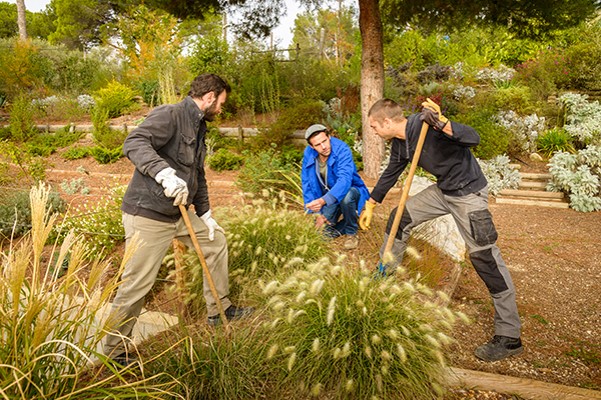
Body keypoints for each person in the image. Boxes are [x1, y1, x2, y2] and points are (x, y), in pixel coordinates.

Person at [103, 73, 253, 366]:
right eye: (221, 103)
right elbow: (134, 142)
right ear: (209, 97)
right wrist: (162, 172)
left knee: (215, 241)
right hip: (148, 214)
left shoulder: (200, 128)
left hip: (179, 212)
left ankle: (218, 310)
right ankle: (113, 352)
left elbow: (197, 174)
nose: (221, 109)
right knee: (137, 284)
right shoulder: (170, 115)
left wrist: (206, 213)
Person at [359, 98, 523, 362]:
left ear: (387, 122)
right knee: (399, 218)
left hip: (468, 192)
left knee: (485, 259)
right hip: (444, 190)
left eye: (374, 127)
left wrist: (444, 123)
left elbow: (473, 138)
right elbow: (391, 173)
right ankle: (384, 276)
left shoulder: (427, 124)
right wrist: (371, 203)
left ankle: (509, 336)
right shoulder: (401, 144)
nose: (373, 132)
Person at [301, 124, 370, 250]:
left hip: (349, 191)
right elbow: (307, 182)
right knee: (321, 235)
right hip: (329, 198)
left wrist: (323, 201)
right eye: (317, 145)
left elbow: (344, 181)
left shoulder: (342, 149)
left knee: (347, 197)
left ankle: (351, 232)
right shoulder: (308, 154)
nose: (323, 147)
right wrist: (316, 212)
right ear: (311, 146)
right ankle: (353, 218)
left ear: (329, 137)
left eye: (325, 141)